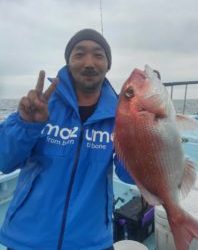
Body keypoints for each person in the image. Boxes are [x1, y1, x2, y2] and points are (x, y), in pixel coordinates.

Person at [0, 28, 134, 250]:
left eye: (98, 55)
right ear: (68, 62)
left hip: (91, 242)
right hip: (28, 240)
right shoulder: (43, 104)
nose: (89, 62)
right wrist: (27, 125)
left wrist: (150, 135)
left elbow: (129, 176)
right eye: (79, 54)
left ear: (108, 65)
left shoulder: (121, 116)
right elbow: (4, 160)